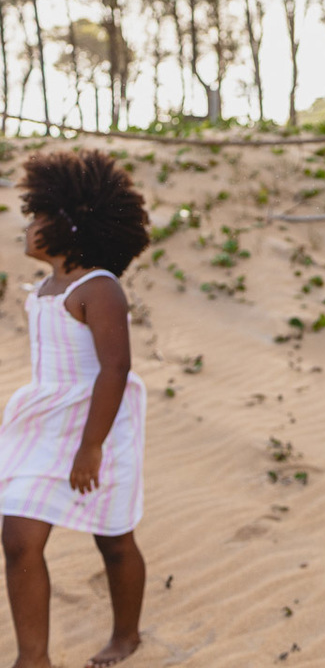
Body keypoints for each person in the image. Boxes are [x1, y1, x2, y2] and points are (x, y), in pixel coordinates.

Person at [1, 150, 151, 668]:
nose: (29, 225)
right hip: (45, 421)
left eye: (39, 216)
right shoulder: (44, 288)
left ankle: (126, 635)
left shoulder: (100, 289)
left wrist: (91, 447)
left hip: (99, 423)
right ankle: (33, 658)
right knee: (19, 537)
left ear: (69, 225)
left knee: (113, 539)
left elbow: (114, 370)